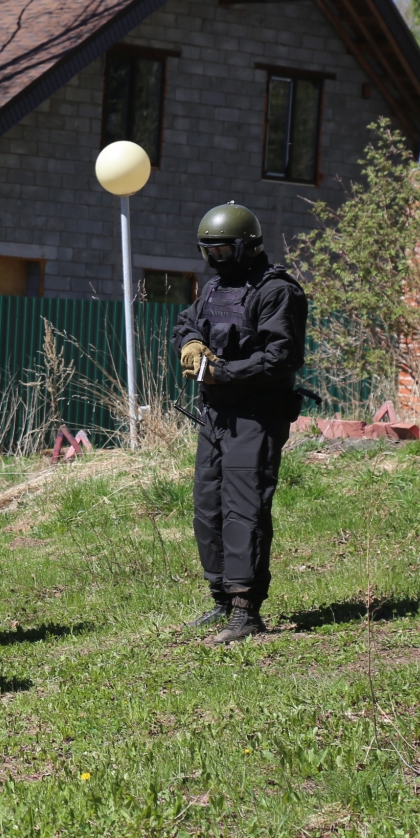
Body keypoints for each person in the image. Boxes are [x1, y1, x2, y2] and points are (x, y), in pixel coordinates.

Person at [173, 202, 308, 645]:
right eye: (208, 251)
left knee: (243, 508)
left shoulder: (277, 292)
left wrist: (222, 373)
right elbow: (185, 323)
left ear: (247, 247)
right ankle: (221, 599)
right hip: (215, 414)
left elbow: (280, 357)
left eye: (224, 251)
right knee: (207, 507)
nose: (216, 259)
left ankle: (247, 609)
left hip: (257, 413)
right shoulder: (213, 289)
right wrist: (191, 342)